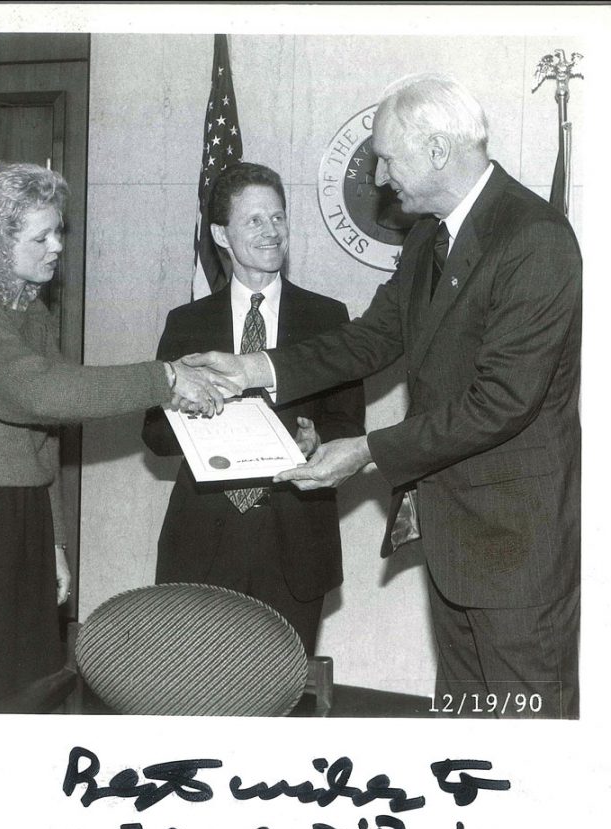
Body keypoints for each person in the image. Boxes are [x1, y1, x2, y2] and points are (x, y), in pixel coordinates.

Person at [183, 74, 582, 719]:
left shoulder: (533, 238)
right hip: (451, 532)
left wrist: (366, 450)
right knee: (465, 726)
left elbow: (501, 401)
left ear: (436, 151)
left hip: (515, 543)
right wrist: (253, 368)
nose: (381, 179)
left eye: (388, 159)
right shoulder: (428, 235)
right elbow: (370, 340)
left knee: (525, 728)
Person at [0, 162, 233, 714]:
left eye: (58, 231)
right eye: (41, 236)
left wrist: (55, 543)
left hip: (23, 512)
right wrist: (165, 378)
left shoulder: (26, 309)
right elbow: (45, 394)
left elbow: (42, 441)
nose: (58, 246)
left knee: (30, 678)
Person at [142, 163, 366, 655]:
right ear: (221, 233)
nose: (272, 232)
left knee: (276, 693)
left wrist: (316, 442)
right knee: (195, 694)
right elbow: (155, 438)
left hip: (294, 540)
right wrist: (183, 408)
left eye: (279, 218)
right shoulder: (187, 323)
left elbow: (349, 424)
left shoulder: (328, 319)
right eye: (255, 221)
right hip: (203, 538)